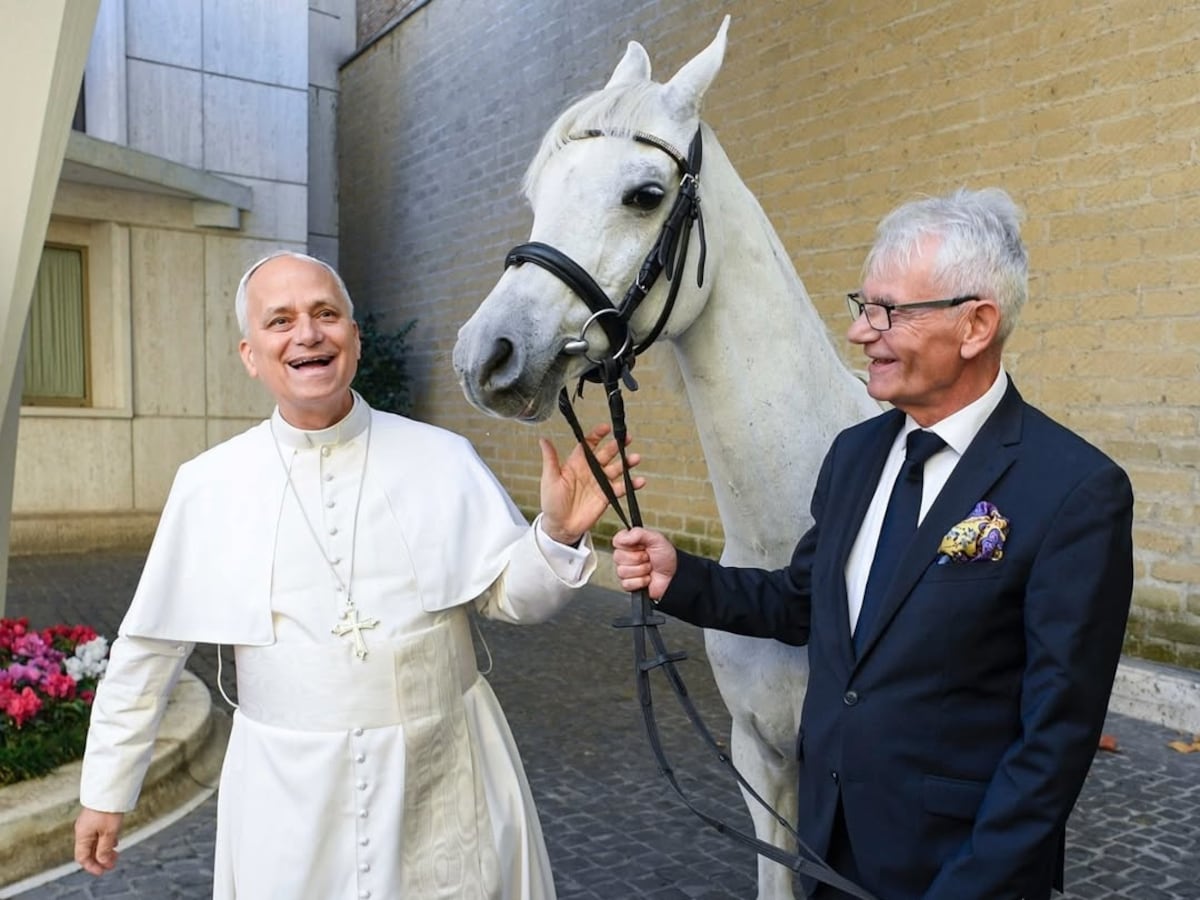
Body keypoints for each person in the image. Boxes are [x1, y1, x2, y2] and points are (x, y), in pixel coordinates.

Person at [612, 188, 1133, 900]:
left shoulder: (1074, 490)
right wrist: (683, 577)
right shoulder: (854, 455)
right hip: (827, 849)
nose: (861, 333)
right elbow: (804, 603)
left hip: (956, 872)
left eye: (888, 312)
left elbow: (1054, 741)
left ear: (977, 324)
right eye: (864, 306)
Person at [74, 250, 642, 900]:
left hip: (445, 770)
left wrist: (556, 536)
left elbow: (511, 598)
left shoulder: (441, 457)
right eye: (280, 321)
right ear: (250, 355)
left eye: (325, 314)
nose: (308, 334)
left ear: (354, 336)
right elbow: (149, 651)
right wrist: (105, 792)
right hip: (286, 795)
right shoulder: (208, 486)